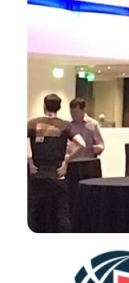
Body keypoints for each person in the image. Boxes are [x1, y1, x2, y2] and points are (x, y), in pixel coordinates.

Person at [27, 94, 86, 232]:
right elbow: (82, 144)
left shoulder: (32, 124)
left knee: (32, 213)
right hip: (58, 174)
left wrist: (29, 160)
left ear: (44, 107)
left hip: (37, 174)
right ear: (59, 108)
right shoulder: (65, 125)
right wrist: (67, 161)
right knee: (62, 213)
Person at [65, 98, 105, 219]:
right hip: (72, 163)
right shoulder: (67, 125)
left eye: (76, 112)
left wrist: (97, 148)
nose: (74, 115)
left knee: (90, 195)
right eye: (72, 112)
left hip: (88, 164)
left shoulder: (92, 125)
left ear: (83, 110)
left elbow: (101, 144)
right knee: (71, 195)